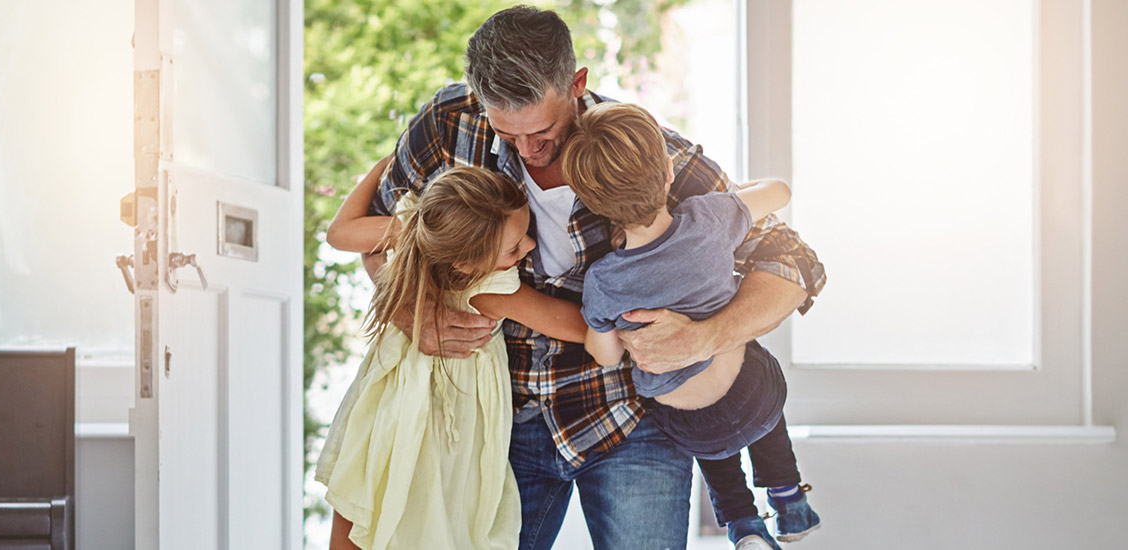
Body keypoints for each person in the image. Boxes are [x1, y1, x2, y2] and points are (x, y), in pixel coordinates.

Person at [348, 6, 826, 549]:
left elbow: (792, 260)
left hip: (629, 419)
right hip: (498, 419)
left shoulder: (642, 152)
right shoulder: (448, 123)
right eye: (506, 133)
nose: (526, 150)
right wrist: (413, 311)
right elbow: (387, 238)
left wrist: (707, 336)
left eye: (543, 131)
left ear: (577, 84)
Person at [566, 102, 821, 549]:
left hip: (689, 425)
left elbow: (604, 355)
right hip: (752, 396)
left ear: (592, 205)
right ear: (668, 171)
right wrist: (733, 200)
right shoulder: (710, 217)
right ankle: (789, 499)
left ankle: (743, 523)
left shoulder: (603, 282)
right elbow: (778, 191)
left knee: (706, 442)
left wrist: (617, 331)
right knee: (757, 377)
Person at [316, 165, 590, 550]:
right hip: (439, 430)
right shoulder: (487, 289)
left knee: (366, 505)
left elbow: (339, 233)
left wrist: (385, 164)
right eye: (514, 247)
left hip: (381, 414)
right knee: (429, 521)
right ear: (464, 262)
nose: (529, 247)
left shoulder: (417, 228)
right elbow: (570, 324)